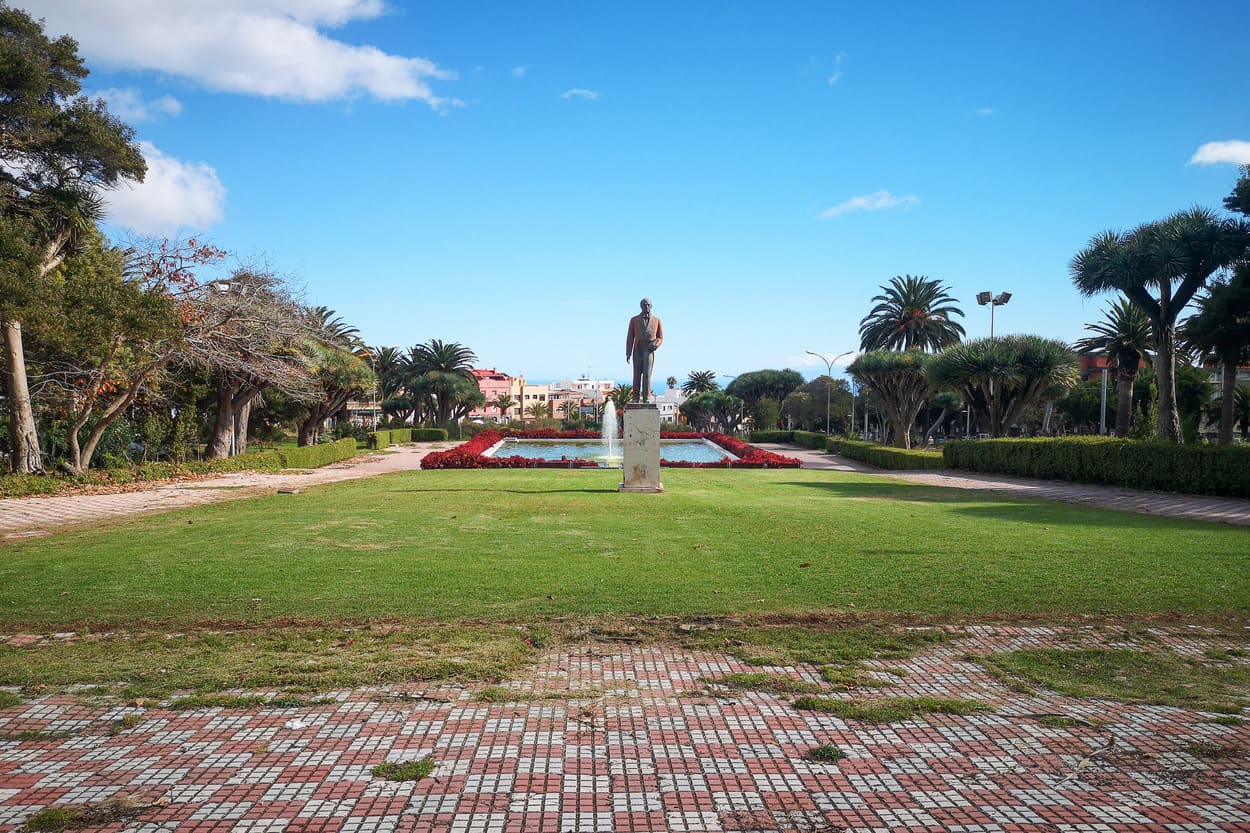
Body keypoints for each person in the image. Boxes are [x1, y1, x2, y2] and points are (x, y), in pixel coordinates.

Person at [625, 298, 664, 403]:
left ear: (651, 306)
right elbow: (630, 337)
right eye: (644, 305)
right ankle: (635, 398)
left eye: (648, 305)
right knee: (636, 374)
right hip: (638, 348)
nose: (646, 307)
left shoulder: (657, 320)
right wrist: (628, 353)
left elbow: (660, 337)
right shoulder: (634, 320)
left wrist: (656, 344)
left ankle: (647, 397)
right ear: (641, 306)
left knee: (647, 373)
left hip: (649, 349)